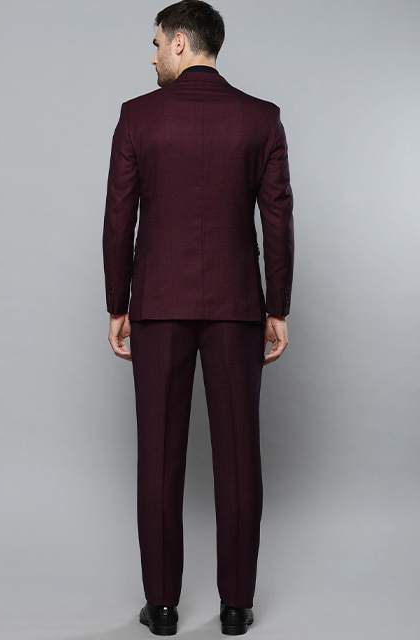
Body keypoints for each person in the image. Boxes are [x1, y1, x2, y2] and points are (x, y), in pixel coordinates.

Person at [102, 0, 294, 635]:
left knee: (158, 457)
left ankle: (161, 609)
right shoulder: (261, 119)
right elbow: (278, 219)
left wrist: (118, 303)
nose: (153, 55)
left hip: (157, 306)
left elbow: (119, 217)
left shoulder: (138, 116)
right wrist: (277, 307)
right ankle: (236, 608)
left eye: (158, 43)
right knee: (239, 457)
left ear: (181, 44)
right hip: (237, 307)